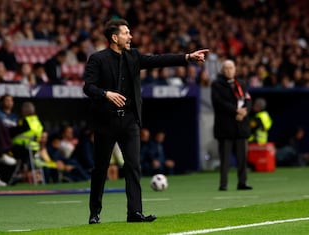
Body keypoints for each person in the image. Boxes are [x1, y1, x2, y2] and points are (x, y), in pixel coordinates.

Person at [83, 19, 208, 224]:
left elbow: (158, 60)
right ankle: (94, 213)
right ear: (114, 38)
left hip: (130, 121)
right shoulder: (97, 59)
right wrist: (106, 94)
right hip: (106, 122)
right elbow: (88, 87)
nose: (130, 36)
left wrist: (187, 57)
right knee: (100, 168)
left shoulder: (134, 56)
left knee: (133, 166)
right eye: (126, 33)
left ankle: (134, 213)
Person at [211, 60, 253, 191]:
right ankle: (223, 184)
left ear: (235, 69)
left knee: (242, 157)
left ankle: (242, 182)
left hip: (241, 125)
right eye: (226, 68)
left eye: (231, 68)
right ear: (223, 70)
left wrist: (244, 112)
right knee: (225, 158)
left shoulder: (241, 83)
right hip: (225, 127)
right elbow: (218, 102)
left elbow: (248, 100)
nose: (229, 70)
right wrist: (236, 110)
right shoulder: (217, 84)